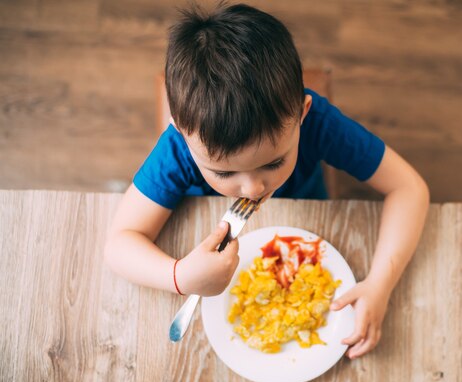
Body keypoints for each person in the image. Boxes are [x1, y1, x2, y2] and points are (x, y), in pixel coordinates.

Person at [104, 2, 430, 359]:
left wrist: (380, 284)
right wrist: (180, 276)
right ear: (183, 136)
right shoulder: (177, 151)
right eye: (225, 173)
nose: (254, 189)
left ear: (302, 115)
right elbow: (119, 245)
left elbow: (409, 188)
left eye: (274, 162)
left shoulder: (317, 122)